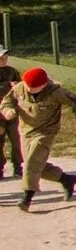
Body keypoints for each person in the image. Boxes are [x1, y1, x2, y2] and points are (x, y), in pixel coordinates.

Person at [3, 67, 76, 211]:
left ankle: (27, 196)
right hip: (26, 131)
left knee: (33, 161)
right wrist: (7, 110)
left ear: (44, 84)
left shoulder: (56, 92)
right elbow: (7, 101)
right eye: (27, 86)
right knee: (33, 163)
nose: (28, 89)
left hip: (46, 131)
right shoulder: (20, 88)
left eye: (33, 87)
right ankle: (66, 179)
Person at [0, 48, 21, 179]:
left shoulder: (12, 71)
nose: (4, 60)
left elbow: (21, 86)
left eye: (5, 57)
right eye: (1, 57)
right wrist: (8, 85)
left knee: (16, 140)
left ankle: (18, 167)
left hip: (12, 112)